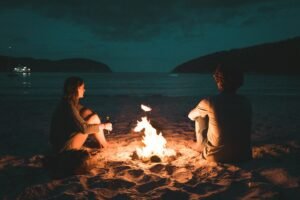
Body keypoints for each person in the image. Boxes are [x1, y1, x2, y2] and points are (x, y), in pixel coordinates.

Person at [188, 65, 252, 163]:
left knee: (200, 116)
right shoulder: (246, 101)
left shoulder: (210, 101)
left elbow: (190, 116)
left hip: (216, 156)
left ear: (218, 81)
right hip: (244, 156)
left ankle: (199, 145)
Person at [50, 76, 112, 154]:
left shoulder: (66, 102)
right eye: (83, 87)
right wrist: (104, 126)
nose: (84, 90)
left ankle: (103, 143)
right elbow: (85, 129)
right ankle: (104, 145)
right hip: (64, 149)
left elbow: (85, 111)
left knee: (88, 113)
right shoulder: (69, 106)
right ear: (77, 89)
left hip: (58, 144)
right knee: (94, 118)